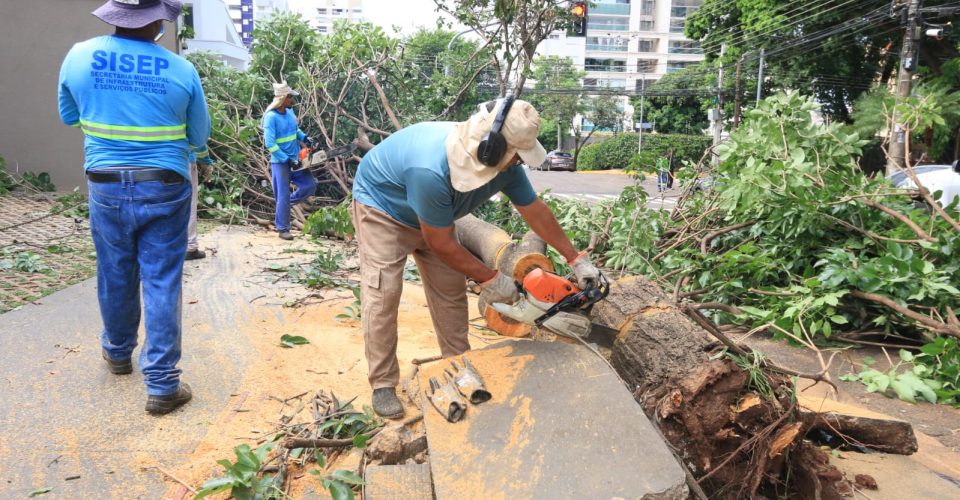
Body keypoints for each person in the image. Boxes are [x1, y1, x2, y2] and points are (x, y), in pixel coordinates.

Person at [351, 97, 600, 418]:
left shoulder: (507, 166)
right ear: (492, 149)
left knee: (451, 290)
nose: (519, 162)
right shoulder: (429, 168)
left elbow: (535, 212)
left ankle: (457, 362)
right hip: (383, 209)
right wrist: (492, 279)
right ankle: (383, 383)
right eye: (516, 155)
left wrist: (575, 259)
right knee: (383, 293)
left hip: (435, 219)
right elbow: (441, 243)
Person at [58, 0, 210, 415]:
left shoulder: (79, 56)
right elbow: (199, 136)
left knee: (114, 269)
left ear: (116, 14)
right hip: (165, 184)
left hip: (105, 182)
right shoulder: (181, 69)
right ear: (158, 19)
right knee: (161, 278)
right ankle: (162, 385)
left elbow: (69, 115)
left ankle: (118, 351)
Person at [262, 82, 318, 240]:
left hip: (296, 159)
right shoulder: (271, 117)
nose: (292, 100)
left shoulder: (290, 113)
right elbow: (270, 144)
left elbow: (295, 129)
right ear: (283, 98)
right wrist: (286, 159)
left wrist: (305, 138)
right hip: (280, 162)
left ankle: (284, 204)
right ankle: (283, 228)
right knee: (282, 194)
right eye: (290, 97)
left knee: (310, 185)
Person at [186, 149, 215, 260]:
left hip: (142, 164)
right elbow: (198, 140)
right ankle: (190, 247)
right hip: (181, 160)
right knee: (189, 203)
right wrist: (205, 160)